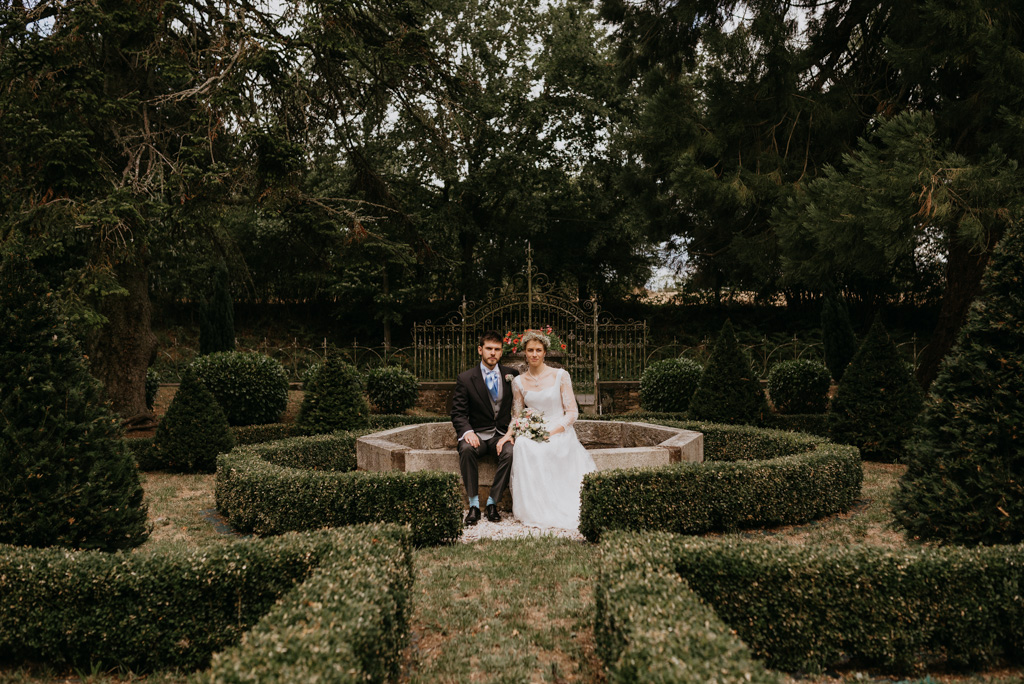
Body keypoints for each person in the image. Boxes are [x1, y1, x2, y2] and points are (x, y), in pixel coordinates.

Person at [496, 330, 596, 531]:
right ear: (524, 352)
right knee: (523, 445)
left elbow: (572, 413)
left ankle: (557, 503)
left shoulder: (560, 375)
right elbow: (517, 415)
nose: (534, 354)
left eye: (538, 350)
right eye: (530, 350)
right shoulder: (518, 382)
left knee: (547, 447)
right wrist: (508, 435)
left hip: (558, 430)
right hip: (533, 430)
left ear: (545, 352)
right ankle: (534, 508)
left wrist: (550, 432)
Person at [451, 330, 519, 525]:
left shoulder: (511, 375)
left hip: (501, 435)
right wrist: (467, 432)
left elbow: (518, 408)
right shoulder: (465, 378)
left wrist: (511, 434)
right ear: (480, 350)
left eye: (497, 349)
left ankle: (492, 503)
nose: (493, 353)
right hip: (478, 436)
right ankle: (473, 505)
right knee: (465, 448)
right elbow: (458, 413)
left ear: (501, 352)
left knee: (511, 452)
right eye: (489, 348)